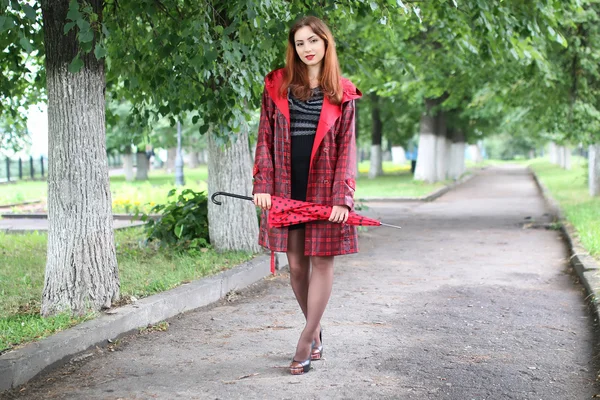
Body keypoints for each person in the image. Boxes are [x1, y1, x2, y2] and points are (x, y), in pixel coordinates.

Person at [252, 15, 361, 375]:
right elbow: (264, 138)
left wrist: (343, 197)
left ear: (326, 44)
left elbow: (347, 148)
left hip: (325, 187)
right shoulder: (277, 86)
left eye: (313, 41)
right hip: (286, 183)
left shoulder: (343, 92)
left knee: (323, 261)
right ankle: (315, 331)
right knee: (297, 266)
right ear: (293, 49)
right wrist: (263, 183)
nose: (307, 49)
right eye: (300, 43)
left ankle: (305, 340)